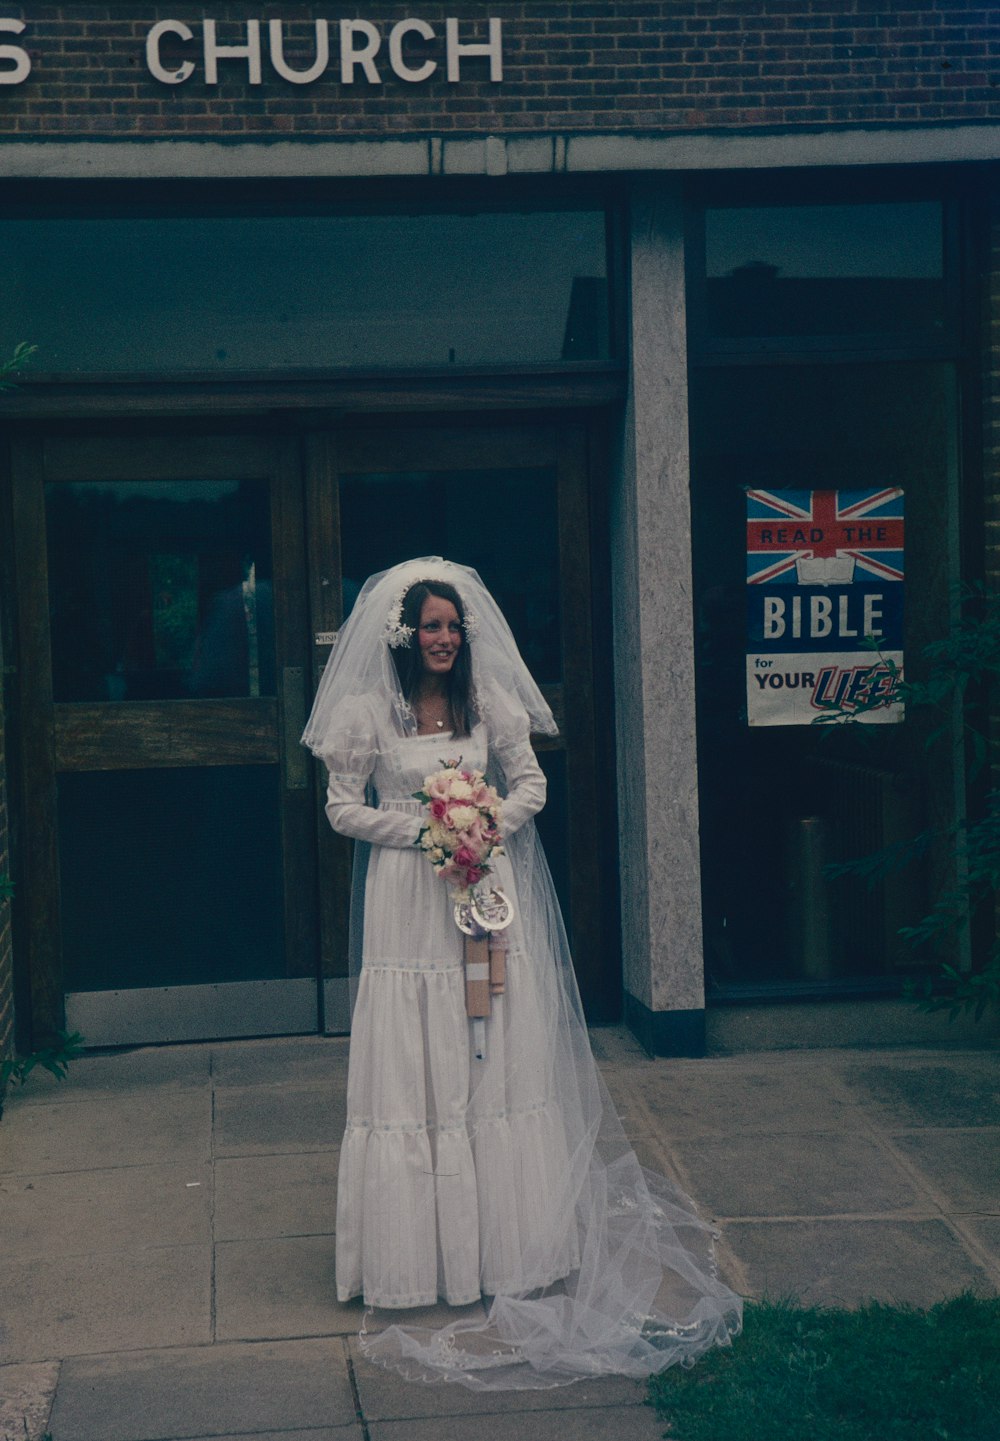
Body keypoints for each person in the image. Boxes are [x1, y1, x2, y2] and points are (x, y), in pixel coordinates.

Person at [301, 557, 741, 1389]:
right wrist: (428, 828)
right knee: (412, 1062)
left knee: (489, 1045)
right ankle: (415, 1261)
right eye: (429, 626)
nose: (443, 638)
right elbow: (339, 806)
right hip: (407, 899)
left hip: (480, 892)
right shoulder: (366, 710)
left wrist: (480, 824)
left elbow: (532, 783)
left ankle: (504, 1246)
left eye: (452, 626)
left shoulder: (488, 703)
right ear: (403, 634)